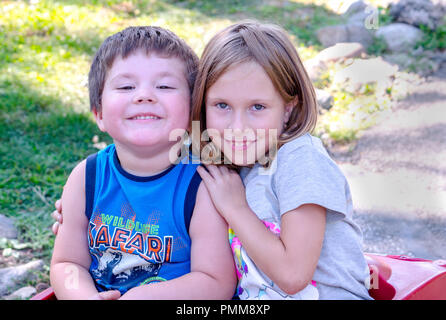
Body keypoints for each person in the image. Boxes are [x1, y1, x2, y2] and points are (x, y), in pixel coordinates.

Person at [50, 26, 236, 300]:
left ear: (191, 112)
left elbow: (215, 282)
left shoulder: (203, 184)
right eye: (126, 86)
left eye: (164, 86)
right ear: (99, 113)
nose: (144, 95)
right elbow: (67, 263)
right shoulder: (87, 176)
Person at [192, 20, 372, 300]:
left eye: (258, 107)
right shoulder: (240, 167)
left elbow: (293, 276)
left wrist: (235, 208)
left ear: (289, 108)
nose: (237, 126)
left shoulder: (301, 159)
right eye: (222, 105)